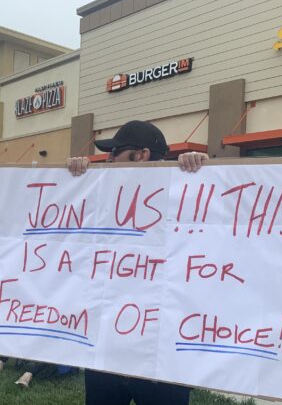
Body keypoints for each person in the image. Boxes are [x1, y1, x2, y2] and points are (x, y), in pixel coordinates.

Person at [67, 120, 208, 405]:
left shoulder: (185, 192)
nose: (107, 160)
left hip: (163, 360)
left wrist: (204, 171)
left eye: (114, 153)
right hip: (106, 353)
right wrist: (73, 178)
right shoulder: (102, 197)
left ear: (141, 155)